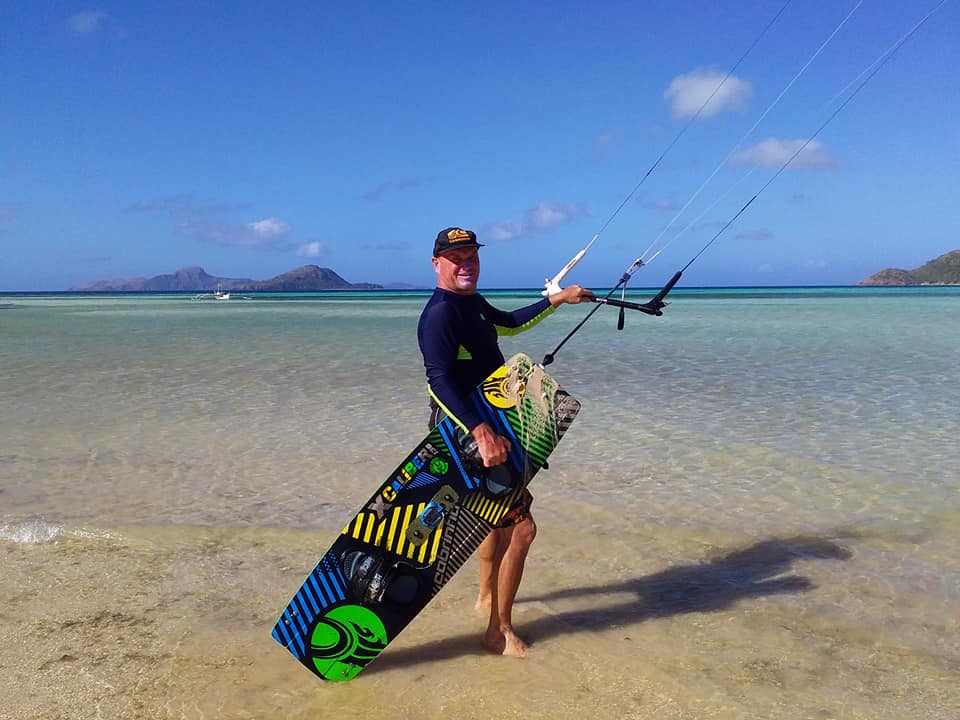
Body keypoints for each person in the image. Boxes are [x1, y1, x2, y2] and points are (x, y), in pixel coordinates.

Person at [417, 226, 593, 657]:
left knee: (493, 519)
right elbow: (438, 380)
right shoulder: (440, 314)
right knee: (522, 528)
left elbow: (511, 325)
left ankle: (485, 596)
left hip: (492, 426)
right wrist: (480, 432)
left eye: (472, 257)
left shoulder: (471, 303)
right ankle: (498, 634)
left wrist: (558, 299)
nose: (466, 265)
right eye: (456, 258)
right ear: (436, 263)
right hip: (469, 434)